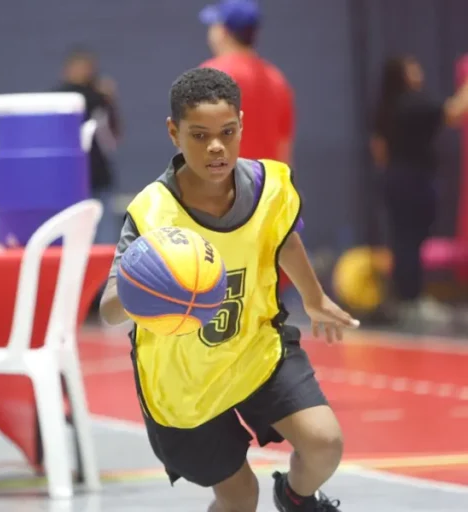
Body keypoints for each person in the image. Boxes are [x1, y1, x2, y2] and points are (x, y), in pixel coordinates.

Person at [100, 68, 359, 512]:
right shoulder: (154, 212)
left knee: (324, 443)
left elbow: (283, 238)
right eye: (199, 135)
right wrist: (148, 287)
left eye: (227, 132)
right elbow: (108, 309)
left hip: (255, 352)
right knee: (240, 496)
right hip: (181, 383)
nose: (215, 147)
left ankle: (296, 499)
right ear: (173, 133)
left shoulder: (268, 187)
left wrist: (314, 298)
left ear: (241, 123)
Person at [370, 56, 468, 324]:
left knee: (403, 239)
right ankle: (411, 300)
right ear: (403, 74)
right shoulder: (413, 103)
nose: (419, 71)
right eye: (413, 67)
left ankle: (405, 298)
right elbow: (454, 113)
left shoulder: (385, 106)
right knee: (411, 240)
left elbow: (378, 149)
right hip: (413, 178)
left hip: (394, 177)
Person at [199, 0, 294, 164]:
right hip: (266, 186)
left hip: (220, 186)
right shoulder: (277, 80)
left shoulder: (209, 77)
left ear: (223, 32)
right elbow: (284, 152)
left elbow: (192, 145)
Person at [55, 46, 122, 244]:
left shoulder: (96, 99)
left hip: (93, 176)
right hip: (75, 178)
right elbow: (113, 136)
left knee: (102, 230)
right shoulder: (94, 98)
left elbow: (111, 137)